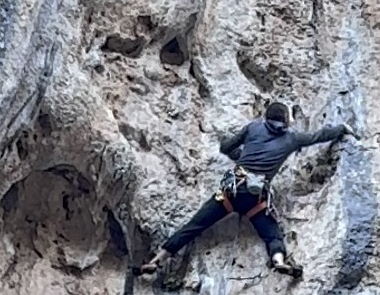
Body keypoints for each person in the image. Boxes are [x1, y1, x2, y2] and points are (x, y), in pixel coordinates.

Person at [134, 99, 349, 283]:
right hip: (256, 199)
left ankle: (157, 260)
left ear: (266, 118)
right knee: (272, 234)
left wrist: (241, 158)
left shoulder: (254, 128)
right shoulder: (291, 138)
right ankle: (279, 260)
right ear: (285, 120)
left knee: (194, 226)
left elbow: (226, 147)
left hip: (231, 192)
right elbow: (319, 136)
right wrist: (342, 129)